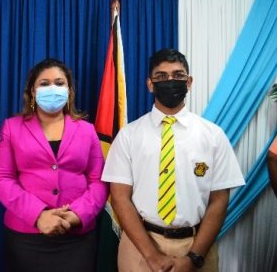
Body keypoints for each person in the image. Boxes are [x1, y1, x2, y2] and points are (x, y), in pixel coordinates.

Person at [101, 49, 245, 272]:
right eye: (161, 76)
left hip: (197, 246)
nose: (170, 81)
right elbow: (120, 198)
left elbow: (219, 201)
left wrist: (193, 258)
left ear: (189, 82)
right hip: (139, 245)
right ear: (150, 84)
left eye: (178, 76)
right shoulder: (129, 136)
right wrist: (152, 256)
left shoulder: (213, 136)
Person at [0, 58, 108, 272]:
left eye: (59, 83)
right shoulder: (11, 127)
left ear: (69, 90)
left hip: (77, 237)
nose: (52, 88)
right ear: (32, 92)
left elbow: (98, 181)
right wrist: (38, 215)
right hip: (26, 235)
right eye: (44, 84)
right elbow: (1, 179)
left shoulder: (87, 130)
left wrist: (77, 215)